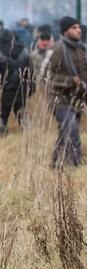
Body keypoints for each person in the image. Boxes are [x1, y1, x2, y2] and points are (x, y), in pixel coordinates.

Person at [44, 16, 86, 168]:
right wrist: (69, 81)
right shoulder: (56, 49)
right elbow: (45, 74)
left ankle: (56, 164)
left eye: (79, 27)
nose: (78, 30)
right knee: (70, 127)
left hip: (78, 98)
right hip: (59, 99)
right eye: (74, 28)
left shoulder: (82, 50)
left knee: (65, 132)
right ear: (65, 31)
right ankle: (75, 163)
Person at [0, 29, 33, 135]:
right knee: (21, 110)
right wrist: (32, 87)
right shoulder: (24, 51)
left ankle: (3, 133)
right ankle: (28, 133)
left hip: (7, 88)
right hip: (22, 87)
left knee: (4, 113)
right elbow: (31, 71)